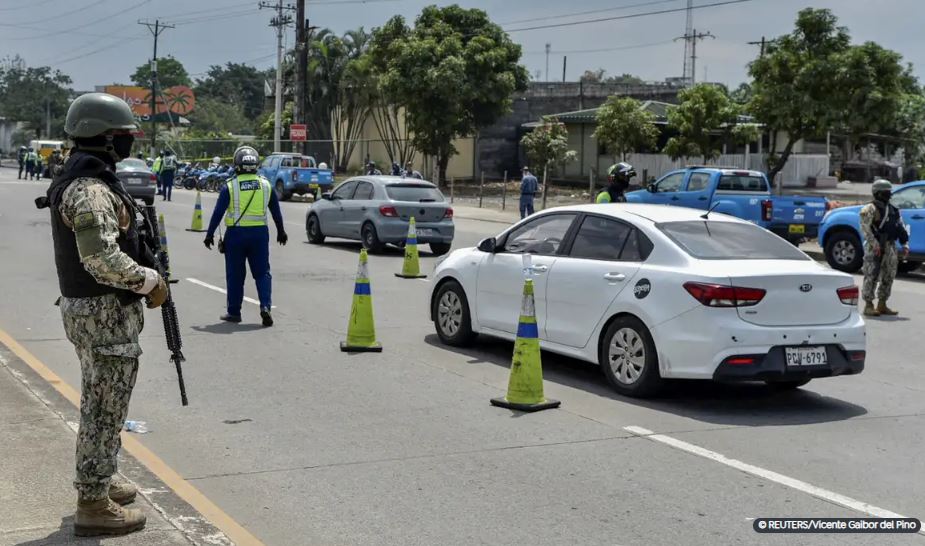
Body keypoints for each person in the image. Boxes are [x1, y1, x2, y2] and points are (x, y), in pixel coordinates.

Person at [39, 92, 167, 537]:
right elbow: (102, 260)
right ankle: (92, 500)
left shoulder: (81, 180)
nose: (129, 143)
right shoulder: (92, 190)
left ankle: (102, 473)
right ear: (107, 138)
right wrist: (150, 282)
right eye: (125, 136)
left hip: (93, 313)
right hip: (103, 314)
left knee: (106, 402)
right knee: (102, 407)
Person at [203, 145, 287, 326]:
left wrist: (209, 234)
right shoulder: (266, 185)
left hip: (236, 235)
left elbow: (218, 213)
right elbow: (276, 212)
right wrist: (281, 231)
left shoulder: (230, 187)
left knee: (235, 275)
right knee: (263, 273)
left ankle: (234, 312)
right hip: (260, 235)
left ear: (236, 164)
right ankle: (265, 307)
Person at [860, 179, 910, 316]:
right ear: (878, 193)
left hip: (890, 246)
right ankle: (868, 305)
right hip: (874, 246)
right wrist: (874, 244)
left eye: (889, 192)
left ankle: (882, 304)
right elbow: (865, 228)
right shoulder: (869, 209)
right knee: (871, 275)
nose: (889, 195)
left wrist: (905, 243)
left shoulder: (893, 210)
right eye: (886, 192)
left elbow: (900, 227)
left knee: (889, 275)